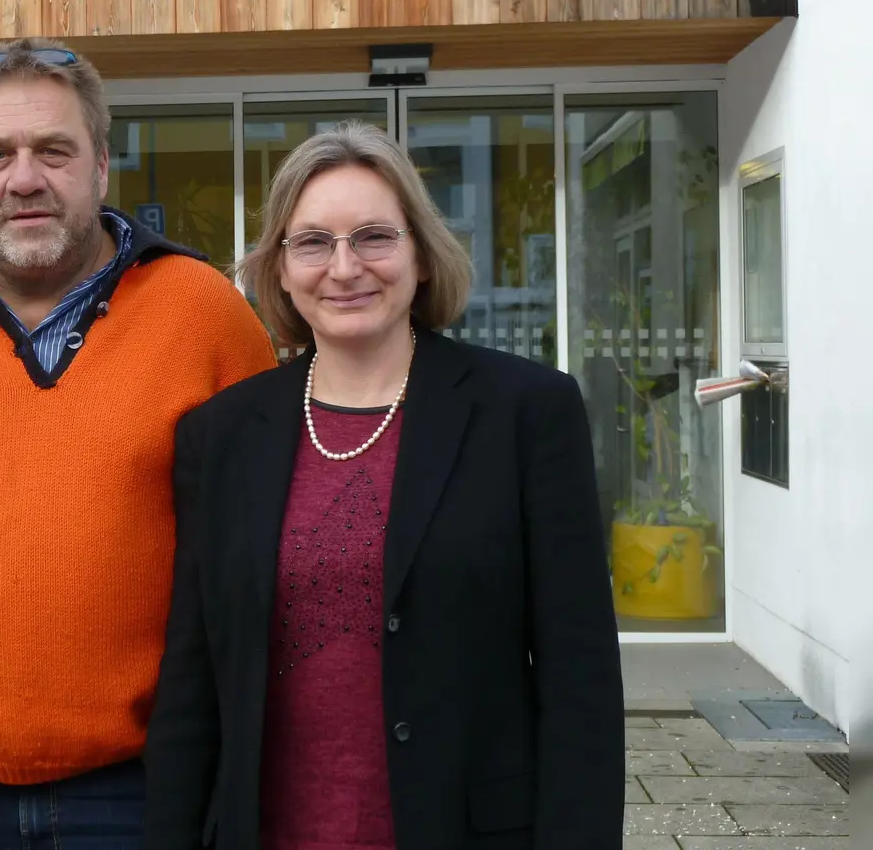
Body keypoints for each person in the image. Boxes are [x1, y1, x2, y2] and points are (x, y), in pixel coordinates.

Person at [0, 37, 276, 848]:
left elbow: (274, 546)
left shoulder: (204, 313)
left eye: (54, 151)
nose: (24, 178)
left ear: (101, 165)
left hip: (144, 797)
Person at [143, 123, 625, 850]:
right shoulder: (222, 435)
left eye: (374, 236)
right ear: (278, 269)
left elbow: (580, 677)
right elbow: (193, 682)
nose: (344, 268)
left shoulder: (524, 412)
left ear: (422, 255)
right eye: (312, 242)